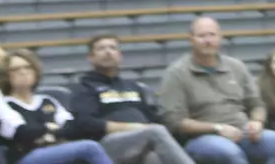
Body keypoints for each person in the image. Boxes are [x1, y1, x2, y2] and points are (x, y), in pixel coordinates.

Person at [157, 17, 275, 164]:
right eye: (202, 36)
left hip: (243, 132)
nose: (208, 40)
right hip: (201, 138)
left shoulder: (236, 66)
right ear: (191, 39)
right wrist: (217, 128)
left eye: (212, 35)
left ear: (220, 37)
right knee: (230, 153)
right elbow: (174, 121)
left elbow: (256, 104)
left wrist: (257, 122)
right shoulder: (176, 73)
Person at [67, 35, 193, 164]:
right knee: (155, 132)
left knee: (153, 158)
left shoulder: (134, 87)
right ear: (91, 57)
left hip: (141, 141)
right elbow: (87, 123)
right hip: (106, 145)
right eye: (101, 48)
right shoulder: (84, 88)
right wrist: (134, 127)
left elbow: (153, 118)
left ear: (120, 55)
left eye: (112, 48)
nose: (108, 52)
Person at [0, 49, 114, 164]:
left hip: (55, 151)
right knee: (90, 148)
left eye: (28, 67)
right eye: (15, 69)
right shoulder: (2, 103)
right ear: (6, 75)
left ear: (35, 72)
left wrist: (46, 133)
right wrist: (50, 128)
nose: (23, 72)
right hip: (23, 156)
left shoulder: (48, 101)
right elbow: (22, 133)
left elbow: (73, 128)